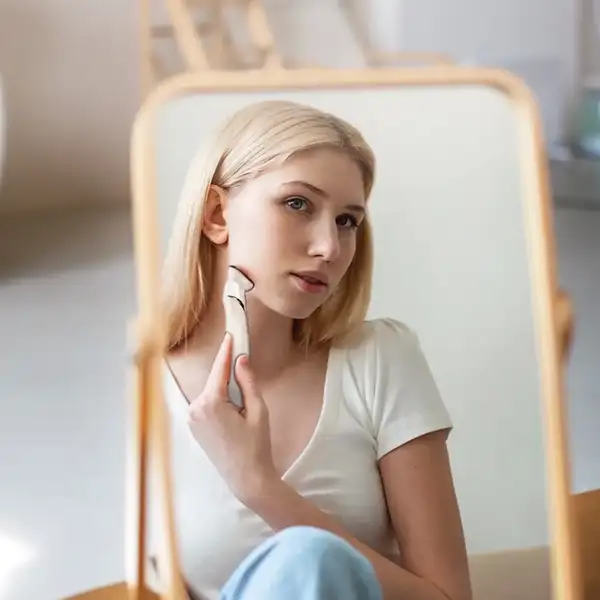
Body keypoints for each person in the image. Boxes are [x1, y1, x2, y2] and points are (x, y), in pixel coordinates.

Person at [149, 100, 472, 600]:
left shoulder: (379, 359)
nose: (330, 247)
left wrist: (261, 488)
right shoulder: (143, 390)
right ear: (216, 214)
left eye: (347, 221)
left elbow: (448, 598)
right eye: (298, 204)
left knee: (311, 557)